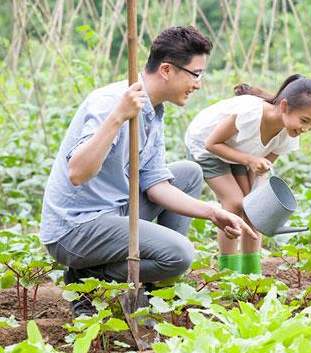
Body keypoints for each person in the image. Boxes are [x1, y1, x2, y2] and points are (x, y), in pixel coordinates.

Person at [40, 26, 255, 314]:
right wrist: (118, 116)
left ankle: (155, 286)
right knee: (180, 254)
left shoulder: (154, 111)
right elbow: (78, 172)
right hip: (77, 228)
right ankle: (88, 277)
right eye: (196, 74)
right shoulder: (111, 103)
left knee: (188, 173)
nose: (199, 84)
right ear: (167, 69)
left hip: (114, 211)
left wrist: (211, 211)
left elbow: (156, 184)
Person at [184, 74, 311, 274]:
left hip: (241, 152)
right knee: (233, 203)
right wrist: (249, 160)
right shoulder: (251, 114)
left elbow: (263, 169)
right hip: (206, 145)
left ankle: (251, 273)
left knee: (254, 208)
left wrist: (259, 202)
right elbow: (212, 143)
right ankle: (228, 272)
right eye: (304, 120)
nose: (306, 128)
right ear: (284, 106)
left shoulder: (288, 135)